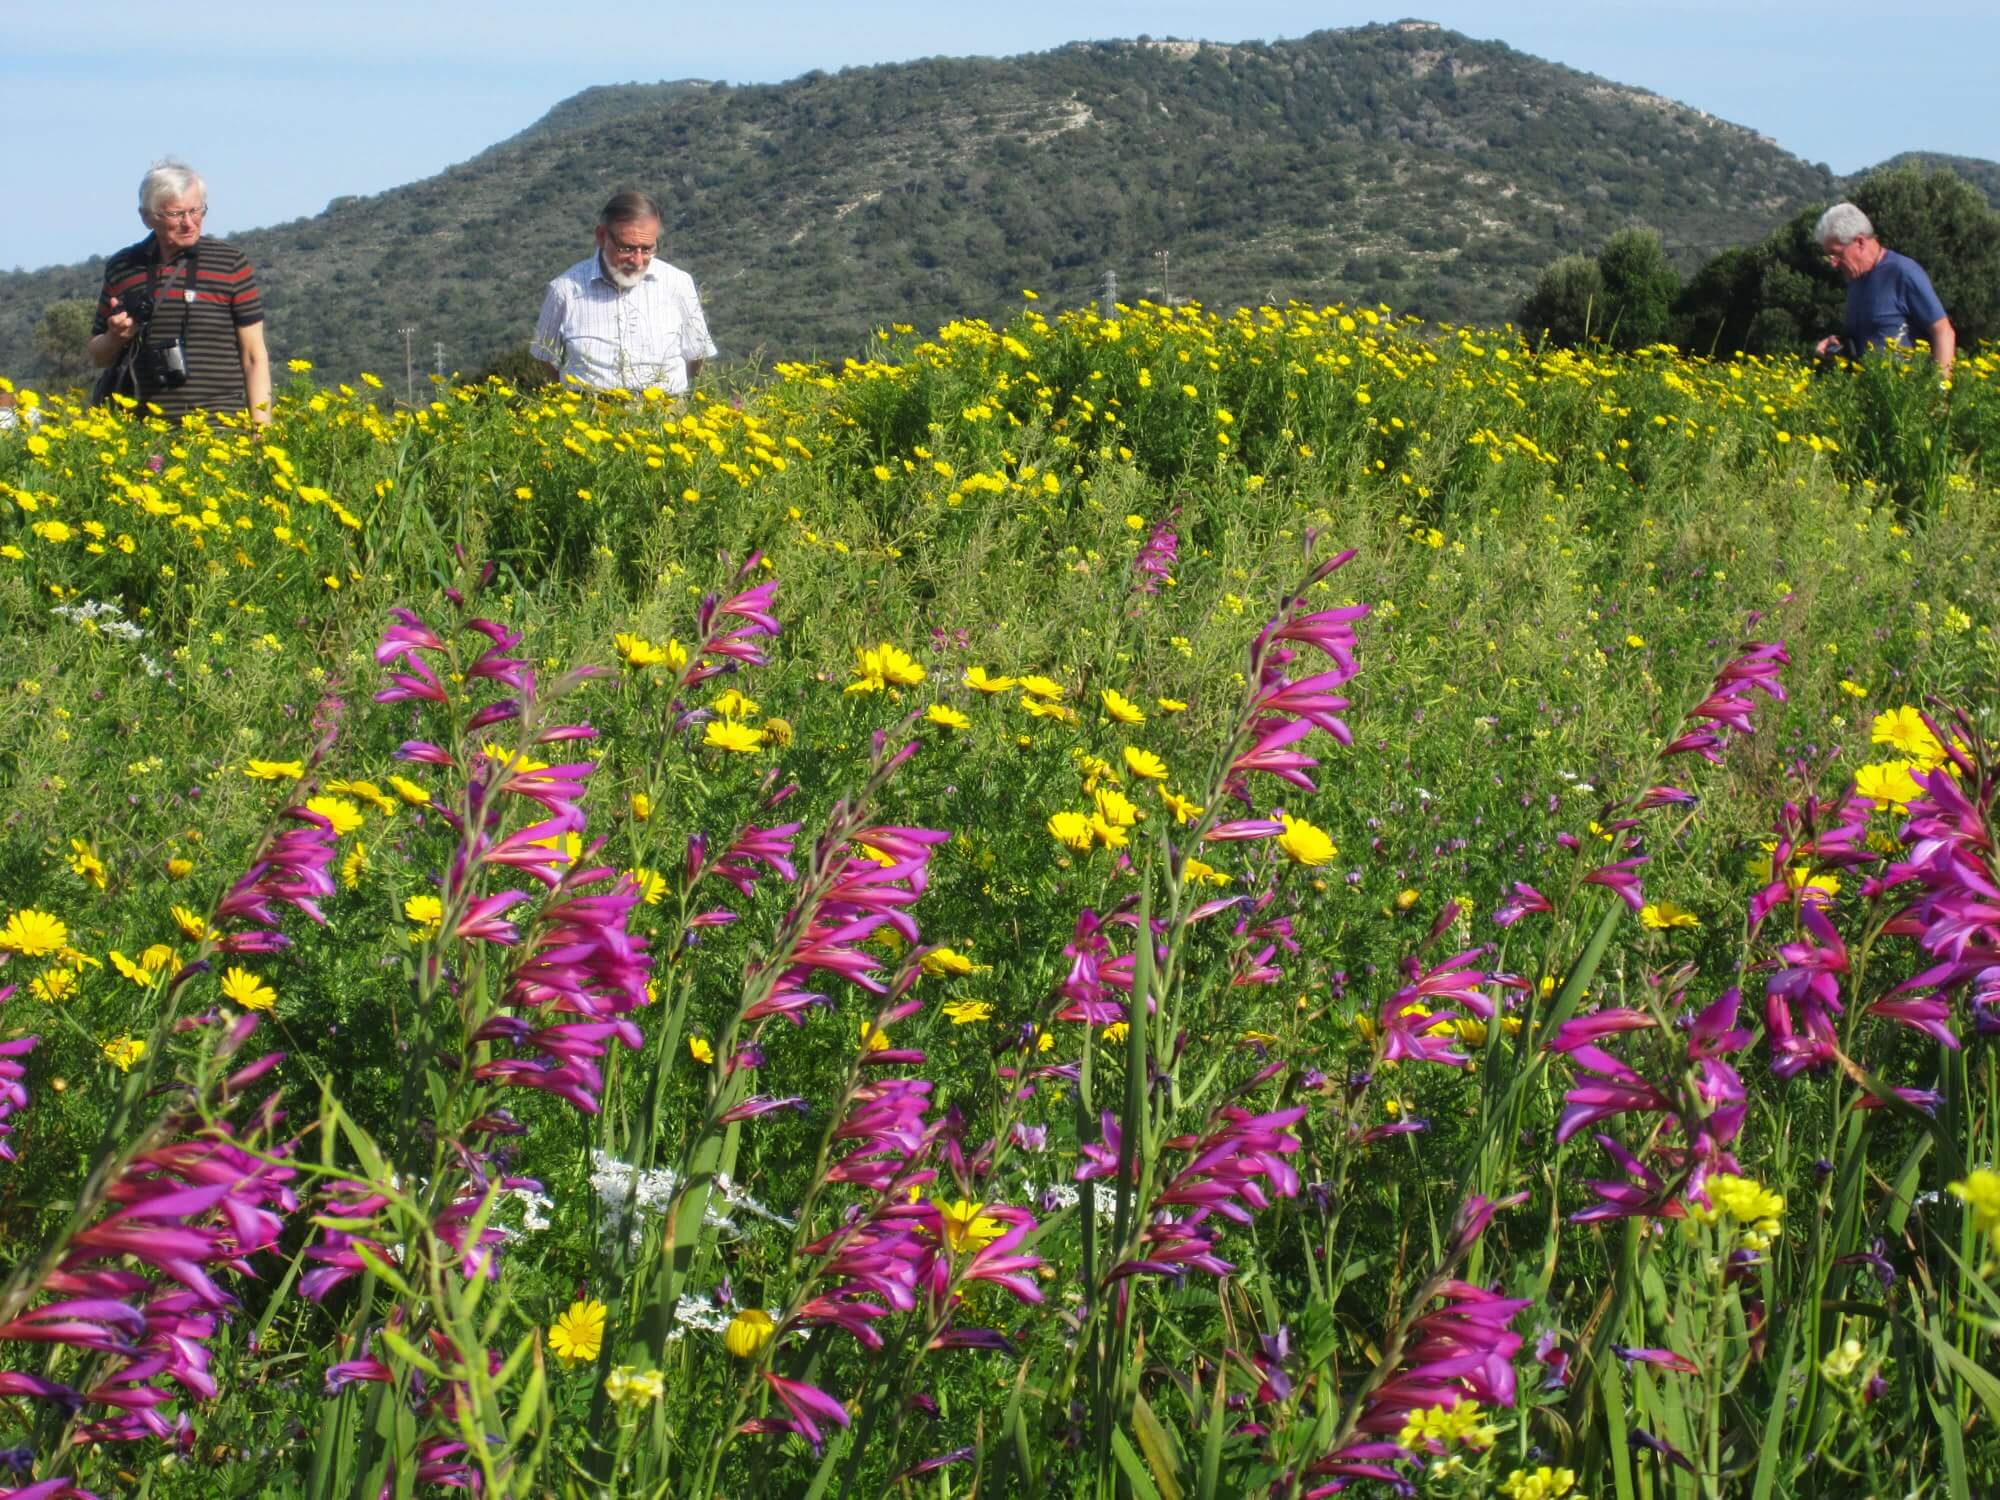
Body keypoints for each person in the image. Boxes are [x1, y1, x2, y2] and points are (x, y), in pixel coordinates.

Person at [88, 159, 272, 424]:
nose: (189, 223)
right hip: (140, 436)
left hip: (220, 431)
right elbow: (97, 355)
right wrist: (115, 337)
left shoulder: (230, 263)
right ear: (147, 217)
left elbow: (254, 355)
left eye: (196, 211)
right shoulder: (123, 267)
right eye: (176, 214)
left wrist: (261, 429)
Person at [531, 190, 716, 396]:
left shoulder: (678, 284)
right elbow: (544, 356)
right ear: (601, 237)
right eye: (626, 248)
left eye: (647, 249)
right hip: (589, 416)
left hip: (665, 415)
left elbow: (697, 356)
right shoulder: (564, 289)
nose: (637, 261)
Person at [1813, 203, 1954, 378]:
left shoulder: (1903, 273)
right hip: (1869, 396)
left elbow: (1943, 332)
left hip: (1907, 397)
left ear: (1860, 242)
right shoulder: (1855, 281)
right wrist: (1837, 343)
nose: (1833, 264)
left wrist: (1939, 393)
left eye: (1837, 254)